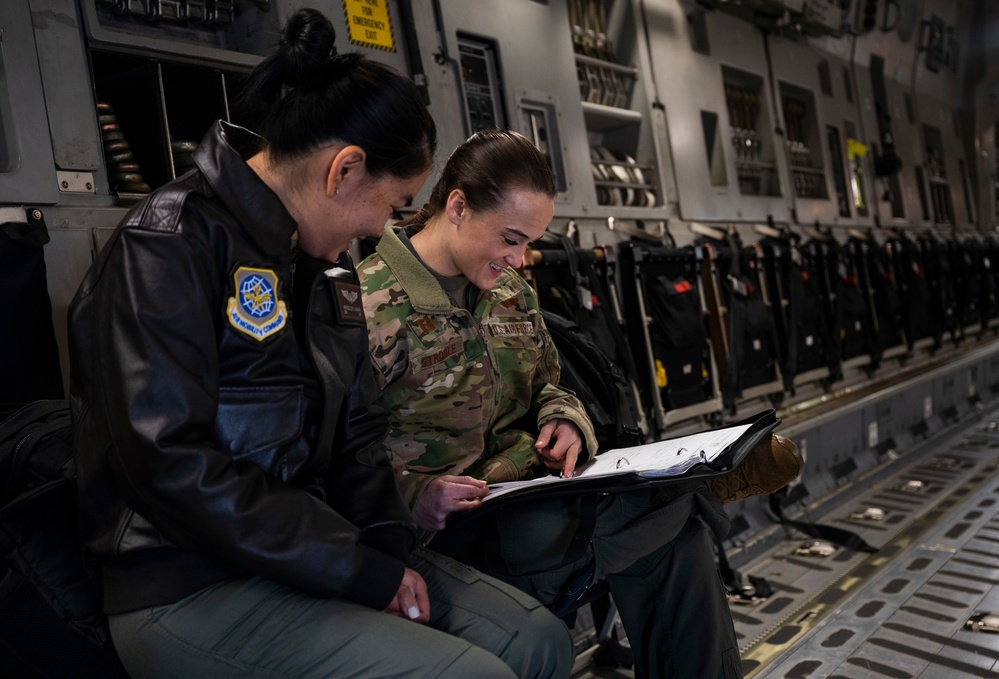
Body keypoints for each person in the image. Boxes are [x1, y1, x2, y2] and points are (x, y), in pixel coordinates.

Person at [68, 11, 572, 679]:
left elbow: (360, 433)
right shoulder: (169, 245)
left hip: (313, 550)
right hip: (187, 580)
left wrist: (387, 547)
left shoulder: (321, 271)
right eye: (392, 204)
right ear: (344, 170)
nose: (383, 227)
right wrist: (353, 565)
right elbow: (170, 462)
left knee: (536, 641)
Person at [360, 129, 803, 678]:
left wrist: (562, 419)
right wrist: (413, 493)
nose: (520, 260)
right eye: (511, 238)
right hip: (453, 525)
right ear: (457, 206)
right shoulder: (370, 307)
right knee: (664, 526)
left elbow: (550, 383)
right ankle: (690, 486)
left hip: (529, 487)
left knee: (679, 545)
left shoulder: (509, 293)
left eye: (528, 243)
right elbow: (340, 455)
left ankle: (683, 490)